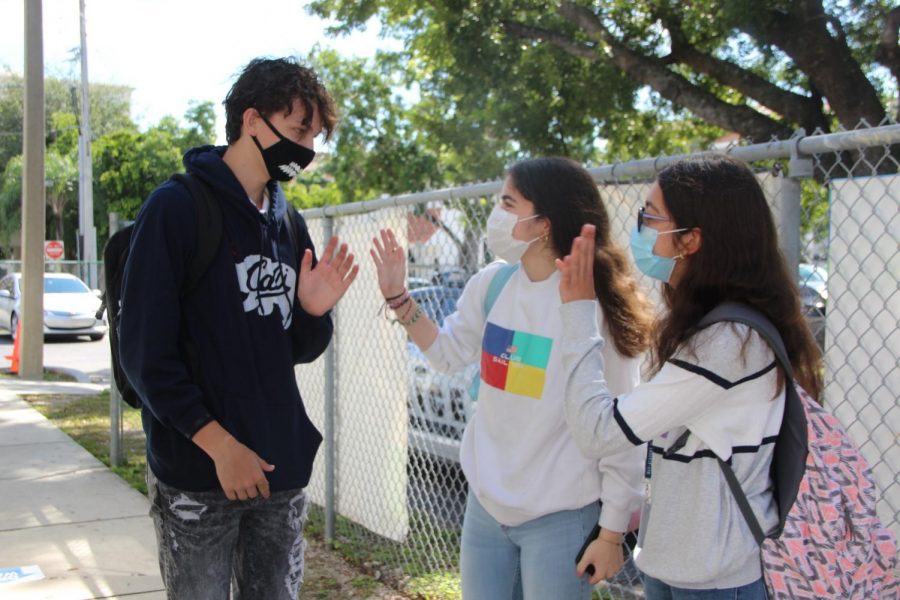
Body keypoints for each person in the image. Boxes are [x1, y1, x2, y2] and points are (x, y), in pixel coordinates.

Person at [119, 57, 358, 600]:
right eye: (299, 130)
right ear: (252, 120)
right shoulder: (176, 208)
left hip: (279, 471)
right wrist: (220, 446)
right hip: (199, 474)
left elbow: (296, 348)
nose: (308, 150)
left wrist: (314, 311)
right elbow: (145, 355)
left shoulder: (288, 221)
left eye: (315, 137)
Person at [370, 157, 654, 598]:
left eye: (508, 202)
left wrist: (612, 532)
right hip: (485, 510)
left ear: (545, 222)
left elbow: (621, 428)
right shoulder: (493, 285)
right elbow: (446, 353)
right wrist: (398, 297)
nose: (496, 214)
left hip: (560, 518)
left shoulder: (593, 307)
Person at [556, 153, 823, 598]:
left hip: (715, 580)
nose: (639, 226)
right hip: (677, 567)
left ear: (691, 239)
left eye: (650, 216)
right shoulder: (706, 328)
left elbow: (598, 431)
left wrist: (579, 313)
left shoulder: (729, 343)